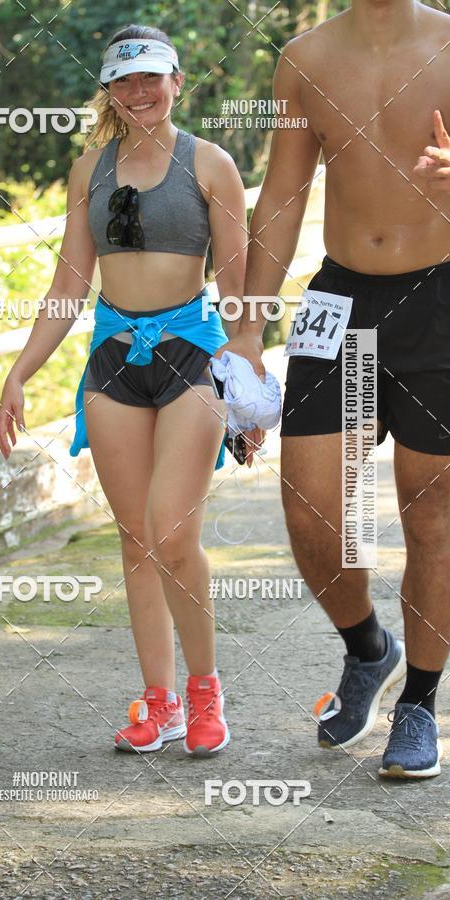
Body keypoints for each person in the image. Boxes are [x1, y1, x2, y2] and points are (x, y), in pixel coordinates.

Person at [0, 24, 249, 755]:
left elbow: (240, 288)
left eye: (151, 78)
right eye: (124, 81)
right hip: (112, 361)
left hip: (190, 356)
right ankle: (159, 703)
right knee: (136, 538)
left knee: (172, 531)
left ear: (177, 81)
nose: (139, 92)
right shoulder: (89, 171)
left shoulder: (211, 164)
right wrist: (19, 372)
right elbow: (70, 282)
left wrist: (247, 382)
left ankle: (205, 692)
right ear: (108, 90)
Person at [232, 0, 450, 777]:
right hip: (342, 302)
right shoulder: (305, 58)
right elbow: (283, 195)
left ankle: (418, 704)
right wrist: (247, 329)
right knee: (311, 507)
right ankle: (367, 647)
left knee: (431, 515)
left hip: (441, 298)